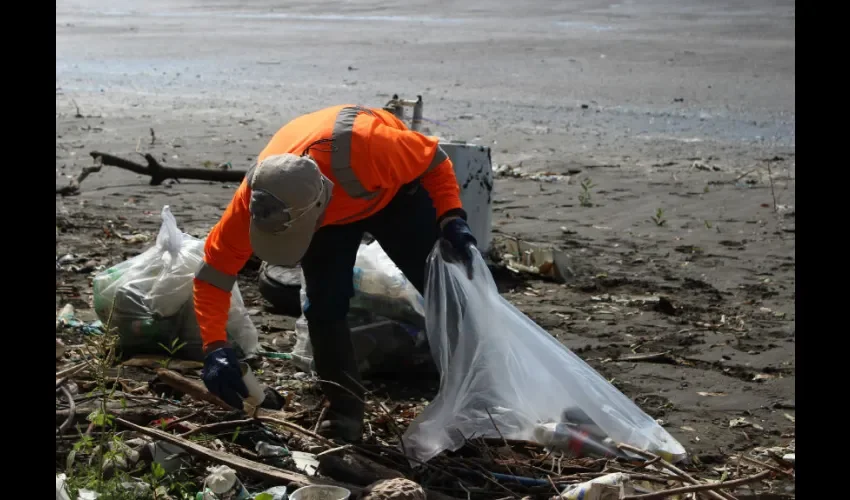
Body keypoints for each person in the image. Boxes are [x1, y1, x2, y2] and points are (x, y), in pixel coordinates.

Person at [194, 104, 477, 443]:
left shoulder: (373, 149)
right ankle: (344, 408)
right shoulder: (254, 201)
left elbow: (435, 160)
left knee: (444, 284)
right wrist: (214, 347)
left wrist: (450, 215)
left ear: (319, 204)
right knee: (323, 304)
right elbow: (213, 274)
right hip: (324, 216)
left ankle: (478, 388)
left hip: (390, 193)